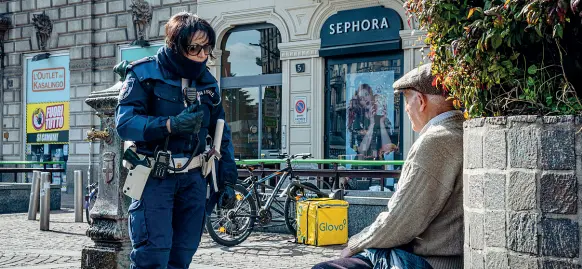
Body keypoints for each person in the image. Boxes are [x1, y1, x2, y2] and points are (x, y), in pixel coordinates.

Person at [115, 12, 237, 269]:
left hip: (193, 179)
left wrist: (227, 181)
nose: (203, 54)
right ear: (175, 45)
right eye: (195, 47)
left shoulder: (208, 82)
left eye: (207, 47)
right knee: (153, 256)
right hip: (154, 177)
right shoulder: (143, 73)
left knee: (183, 255)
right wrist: (169, 125)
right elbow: (125, 124)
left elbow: (221, 134)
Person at [313, 63, 465, 269]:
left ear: (420, 101)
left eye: (406, 100)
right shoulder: (462, 132)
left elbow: (401, 220)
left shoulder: (435, 141)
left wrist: (356, 243)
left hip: (426, 261)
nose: (406, 109)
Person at [347, 84, 398, 161]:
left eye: (366, 95)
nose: (364, 99)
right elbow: (362, 150)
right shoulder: (357, 121)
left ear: (371, 96)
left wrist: (381, 122)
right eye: (361, 98)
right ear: (360, 103)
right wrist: (372, 124)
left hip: (378, 164)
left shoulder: (382, 119)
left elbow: (387, 148)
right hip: (361, 164)